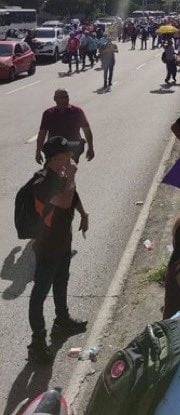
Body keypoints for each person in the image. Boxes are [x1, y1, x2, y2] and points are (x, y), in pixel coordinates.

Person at [28, 136, 89, 363]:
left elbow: (73, 197)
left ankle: (62, 320)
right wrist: (71, 177)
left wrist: (83, 213)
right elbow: (63, 201)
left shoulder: (60, 176)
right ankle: (37, 342)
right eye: (68, 153)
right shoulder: (42, 183)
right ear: (56, 157)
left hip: (63, 243)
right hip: (47, 248)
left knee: (62, 281)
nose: (72, 157)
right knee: (39, 294)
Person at [36, 89, 94, 164]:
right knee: (52, 172)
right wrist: (38, 151)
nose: (64, 100)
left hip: (73, 148)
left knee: (69, 171)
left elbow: (87, 131)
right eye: (61, 97)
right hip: (54, 148)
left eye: (66, 97)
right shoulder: (48, 114)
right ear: (55, 99)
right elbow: (42, 134)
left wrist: (91, 148)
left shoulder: (77, 111)